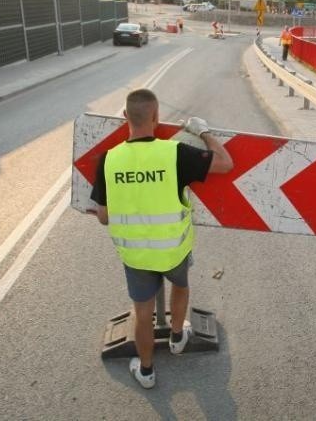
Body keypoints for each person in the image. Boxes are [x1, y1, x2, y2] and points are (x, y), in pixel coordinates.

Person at [91, 89, 233, 389]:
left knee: (143, 315)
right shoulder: (175, 153)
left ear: (125, 116)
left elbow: (104, 217)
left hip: (137, 257)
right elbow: (225, 163)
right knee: (180, 287)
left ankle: (146, 371)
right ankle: (178, 338)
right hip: (173, 251)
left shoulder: (108, 160)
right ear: (156, 117)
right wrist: (203, 131)